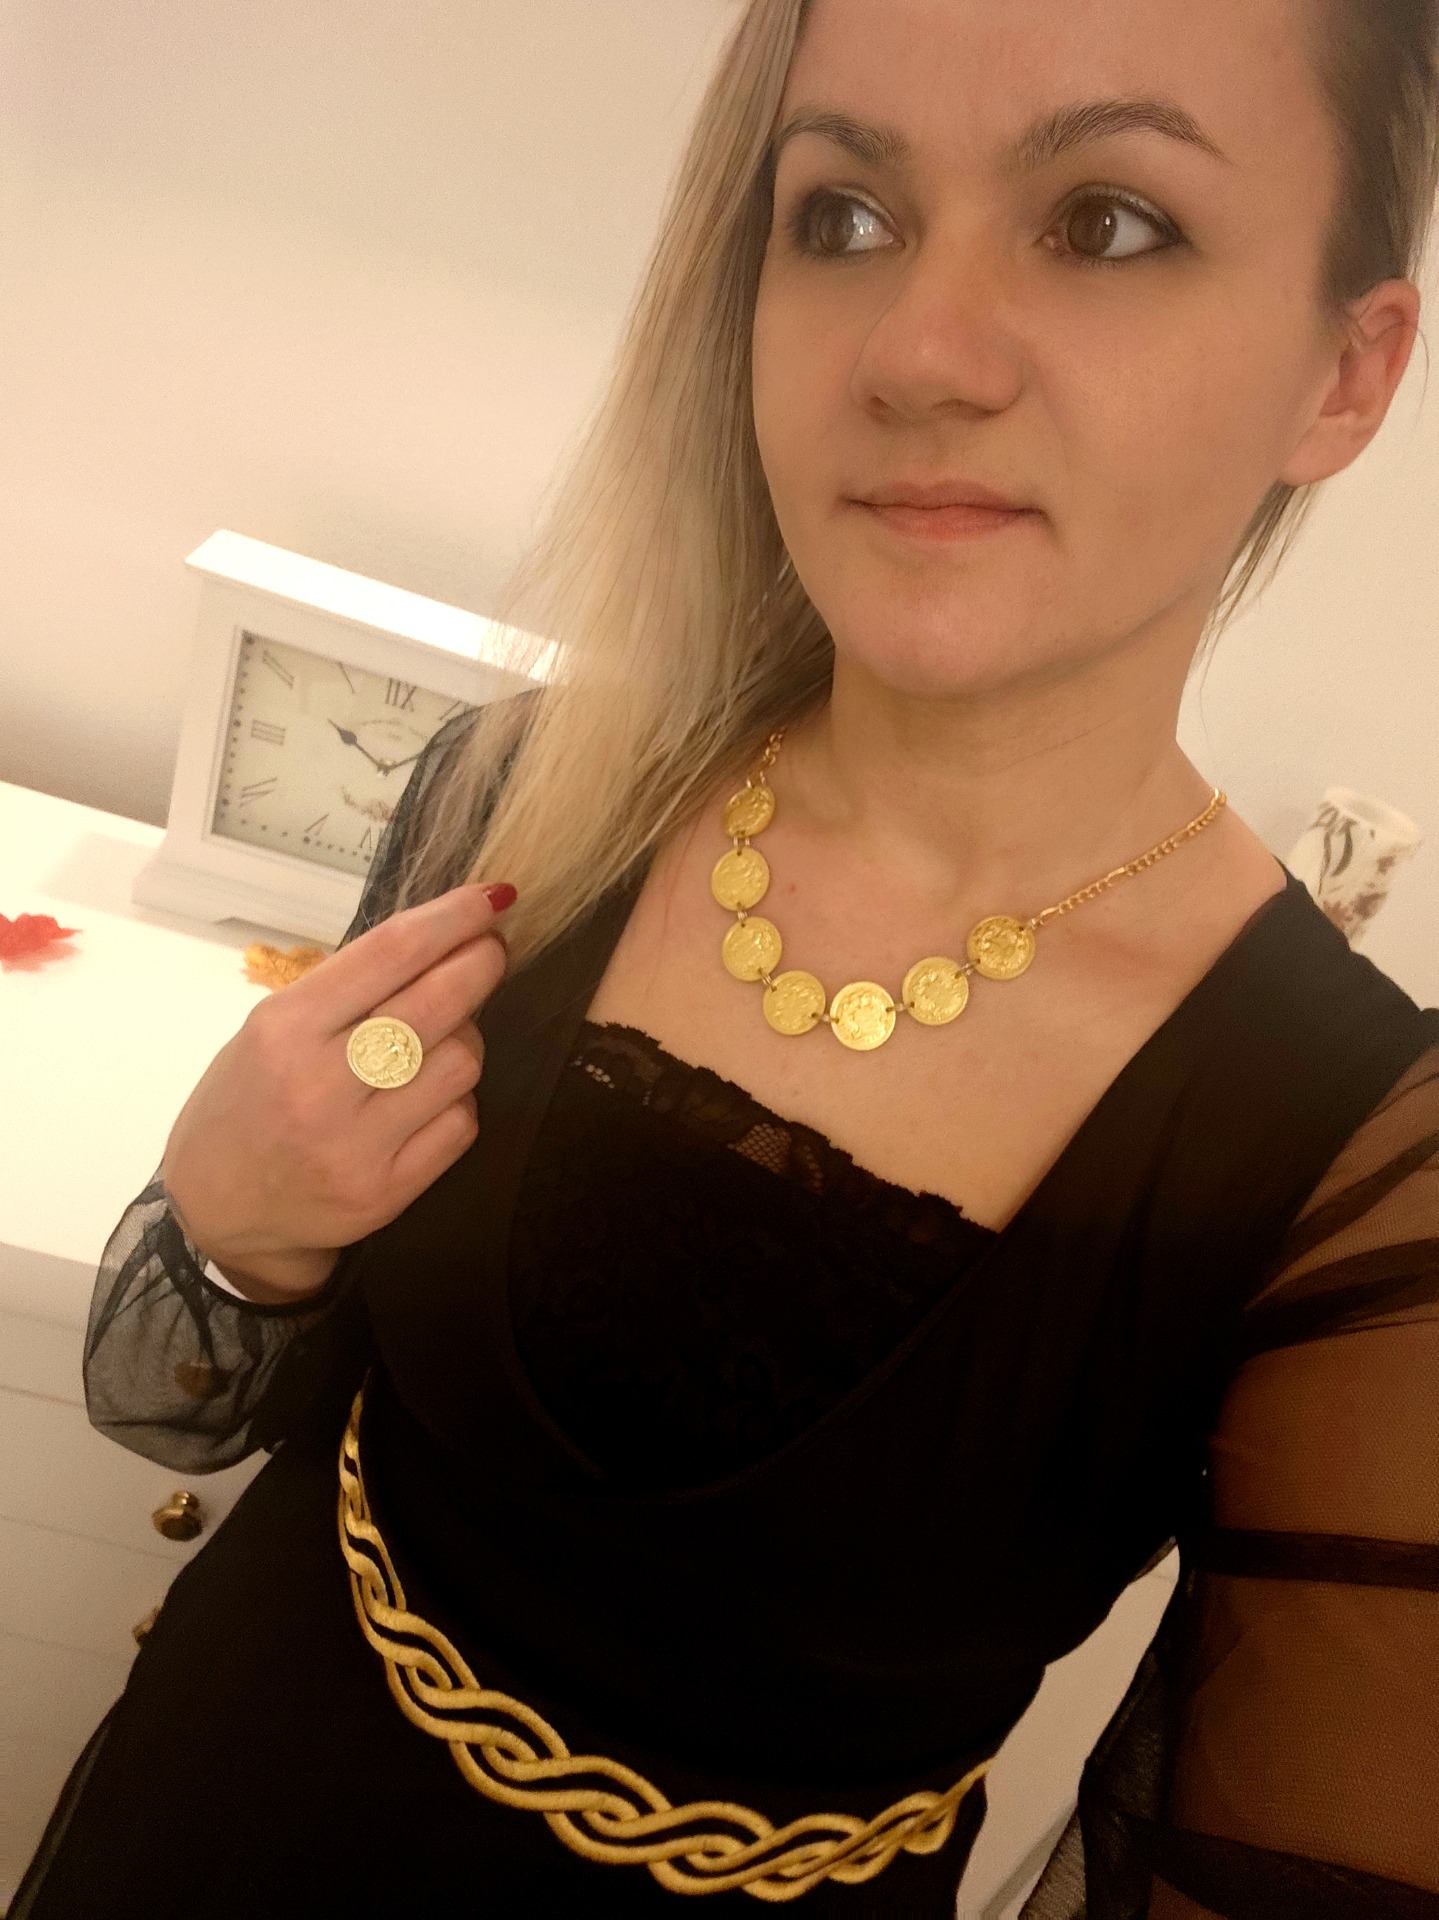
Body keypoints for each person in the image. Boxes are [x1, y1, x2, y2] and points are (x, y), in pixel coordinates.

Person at [14, 0, 1439, 1913]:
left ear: (1345, 375)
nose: (915, 353)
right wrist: (233, 1228)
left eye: (1106, 223)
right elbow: (216, 1413)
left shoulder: (1360, 1172)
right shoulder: (528, 799)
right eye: (842, 215)